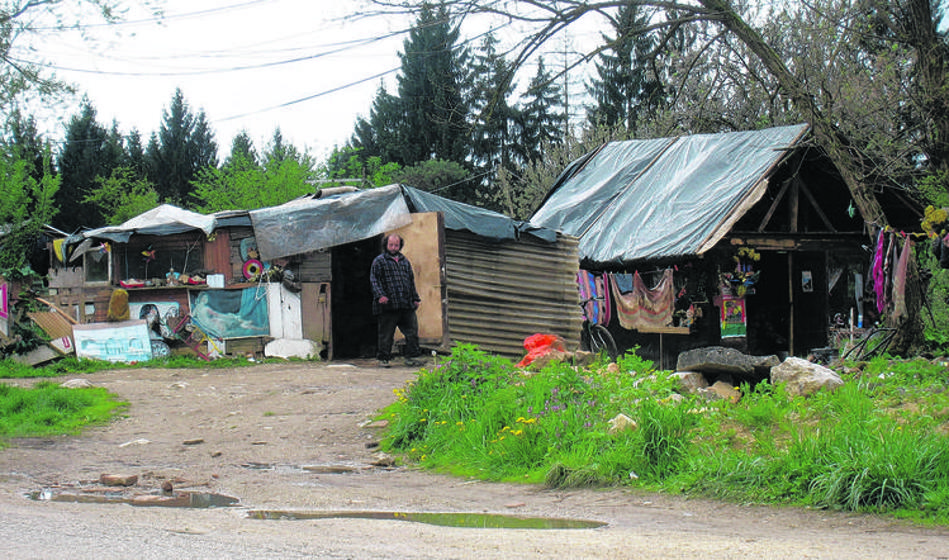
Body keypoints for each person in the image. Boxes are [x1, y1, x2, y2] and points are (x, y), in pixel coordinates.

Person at [370, 233, 423, 368]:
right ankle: (384, 359)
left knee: (412, 332)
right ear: (386, 245)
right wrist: (380, 295)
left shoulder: (405, 261)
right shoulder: (379, 261)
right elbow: (374, 281)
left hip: (405, 303)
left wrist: (415, 298)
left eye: (396, 245)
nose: (394, 248)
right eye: (391, 245)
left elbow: (411, 281)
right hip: (388, 305)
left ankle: (411, 357)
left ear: (400, 246)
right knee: (386, 334)